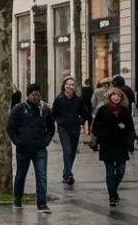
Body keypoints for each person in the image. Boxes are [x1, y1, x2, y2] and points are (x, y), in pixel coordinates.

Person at [6, 84, 56, 213]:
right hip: (24, 148)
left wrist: (46, 141)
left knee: (41, 175)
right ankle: (17, 198)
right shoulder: (19, 109)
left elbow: (51, 128)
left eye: (38, 95)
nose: (36, 97)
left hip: (40, 148)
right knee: (21, 175)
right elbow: (10, 128)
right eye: (33, 94)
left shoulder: (45, 109)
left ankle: (42, 203)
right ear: (28, 95)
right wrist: (18, 142)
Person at [91, 87, 135, 207]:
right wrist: (98, 138)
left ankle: (113, 189)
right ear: (109, 97)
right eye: (114, 95)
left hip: (121, 144)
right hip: (107, 144)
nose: (116, 97)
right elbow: (96, 127)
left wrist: (125, 130)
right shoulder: (103, 110)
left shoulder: (125, 111)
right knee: (110, 171)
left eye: (118, 96)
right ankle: (112, 195)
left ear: (121, 98)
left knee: (121, 170)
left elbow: (130, 128)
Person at [51, 77, 91, 185]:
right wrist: (59, 122)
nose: (70, 86)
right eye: (68, 84)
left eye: (72, 84)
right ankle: (69, 174)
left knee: (72, 152)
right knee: (67, 150)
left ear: (74, 87)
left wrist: (81, 121)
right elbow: (54, 113)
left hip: (75, 128)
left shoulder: (78, 99)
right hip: (63, 128)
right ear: (64, 85)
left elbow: (85, 112)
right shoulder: (59, 99)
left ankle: (66, 173)